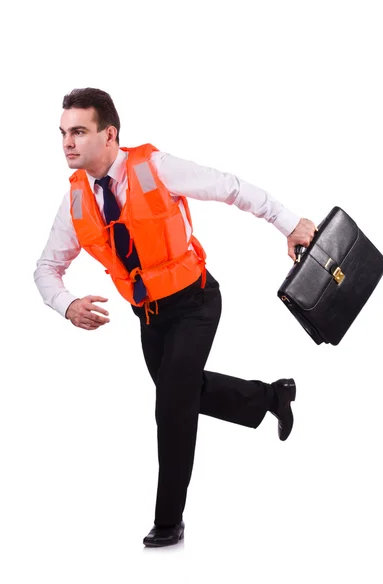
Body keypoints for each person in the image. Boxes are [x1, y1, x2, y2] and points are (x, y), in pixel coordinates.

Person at [34, 88, 316, 548]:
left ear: (110, 134)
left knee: (172, 405)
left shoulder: (154, 167)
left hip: (196, 302)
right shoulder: (74, 203)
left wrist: (290, 222)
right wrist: (66, 304)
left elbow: (230, 187)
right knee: (185, 390)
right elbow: (46, 268)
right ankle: (272, 397)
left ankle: (168, 520)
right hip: (149, 317)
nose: (68, 142)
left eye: (79, 131)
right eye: (63, 133)